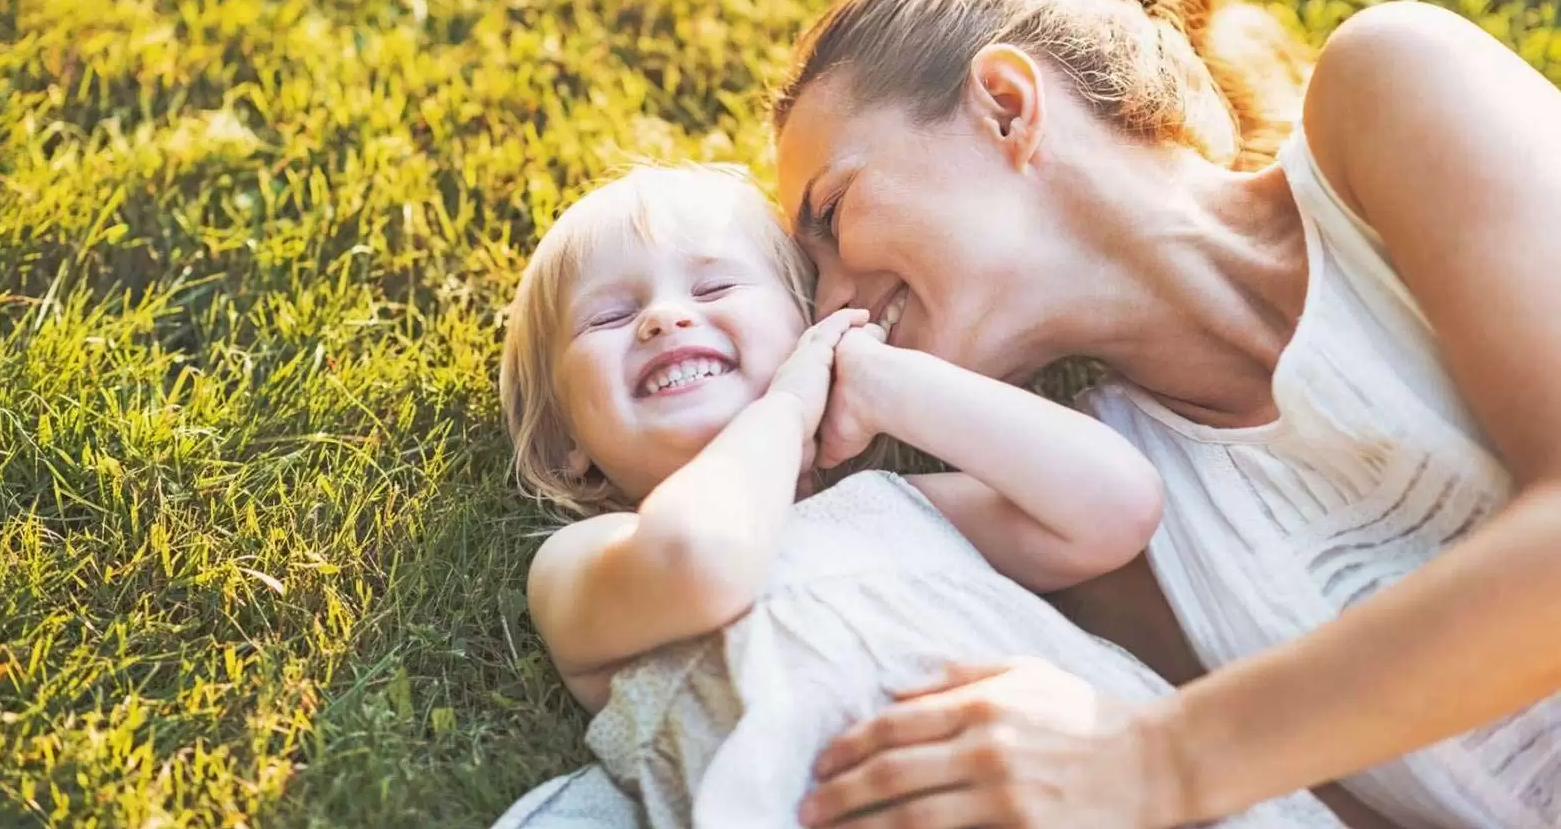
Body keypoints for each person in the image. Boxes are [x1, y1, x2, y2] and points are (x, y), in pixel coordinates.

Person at [771, 0, 1561, 829]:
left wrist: (1165, 759)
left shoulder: (1395, 87)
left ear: (1005, 106)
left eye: (831, 213)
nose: (829, 301)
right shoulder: (1108, 538)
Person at [488, 164, 1337, 828]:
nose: (665, 320)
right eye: (607, 318)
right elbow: (705, 561)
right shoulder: (591, 560)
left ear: (804, 327)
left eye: (712, 290)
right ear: (572, 452)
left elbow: (1114, 505)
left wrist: (884, 383)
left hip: (1085, 783)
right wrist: (787, 406)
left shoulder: (899, 508)